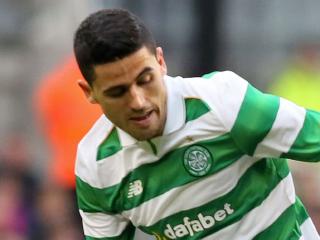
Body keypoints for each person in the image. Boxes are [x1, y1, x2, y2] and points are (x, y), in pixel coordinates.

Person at [73, 9, 320, 240]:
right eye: (118, 92)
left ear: (160, 62)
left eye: (145, 80)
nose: (138, 101)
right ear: (89, 92)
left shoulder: (223, 104)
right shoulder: (96, 165)